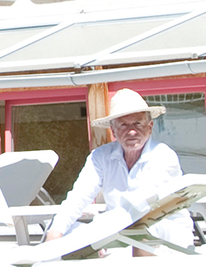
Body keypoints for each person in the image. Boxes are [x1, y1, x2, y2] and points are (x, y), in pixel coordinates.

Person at [47, 88, 188, 239]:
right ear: (113, 131)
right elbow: (78, 197)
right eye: (123, 125)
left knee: (144, 231)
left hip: (163, 230)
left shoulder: (163, 156)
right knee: (68, 232)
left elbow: (142, 206)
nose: (132, 131)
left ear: (150, 127)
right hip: (117, 231)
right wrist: (56, 231)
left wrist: (97, 231)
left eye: (137, 123)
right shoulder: (100, 156)